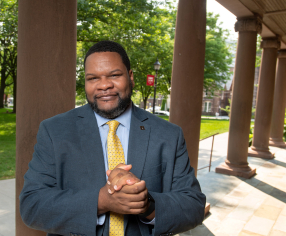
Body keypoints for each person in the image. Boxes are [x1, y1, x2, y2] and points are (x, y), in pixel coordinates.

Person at [20, 40, 206, 236]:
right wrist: (100, 201)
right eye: (93, 78)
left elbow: (193, 206)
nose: (104, 85)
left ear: (131, 77)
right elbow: (32, 205)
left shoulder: (169, 135)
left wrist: (147, 204)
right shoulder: (54, 131)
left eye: (114, 75)